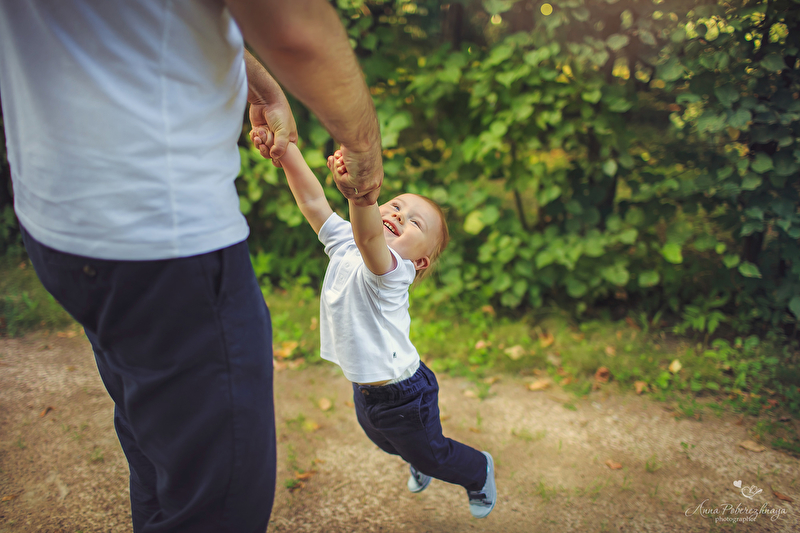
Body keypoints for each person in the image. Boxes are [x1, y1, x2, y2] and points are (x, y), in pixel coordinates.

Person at [0, 1, 383, 532]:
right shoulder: (345, 240)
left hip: (57, 216)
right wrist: (363, 145)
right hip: (162, 237)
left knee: (160, 452)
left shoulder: (389, 268)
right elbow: (294, 27)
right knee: (218, 504)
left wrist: (253, 78)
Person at [268, 138, 498, 519]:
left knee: (433, 454)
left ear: (420, 261)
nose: (400, 216)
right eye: (396, 205)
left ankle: (478, 471)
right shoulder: (346, 241)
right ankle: (416, 457)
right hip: (365, 387)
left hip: (405, 395)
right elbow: (312, 203)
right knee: (385, 442)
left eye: (415, 223)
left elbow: (370, 237)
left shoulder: (392, 274)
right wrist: (286, 151)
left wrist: (360, 194)